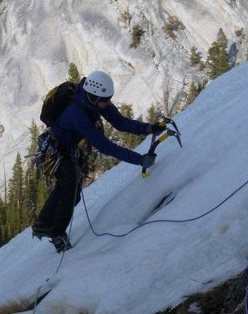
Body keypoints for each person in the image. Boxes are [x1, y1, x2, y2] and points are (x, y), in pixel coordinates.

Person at [31, 70, 166, 252]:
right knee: (71, 192)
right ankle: (57, 234)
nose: (108, 103)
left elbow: (120, 123)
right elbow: (104, 146)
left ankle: (43, 223)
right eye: (105, 100)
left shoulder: (96, 102)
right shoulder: (76, 113)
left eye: (109, 98)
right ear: (93, 96)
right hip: (56, 152)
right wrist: (139, 159)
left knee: (67, 188)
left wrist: (149, 128)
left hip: (65, 149)